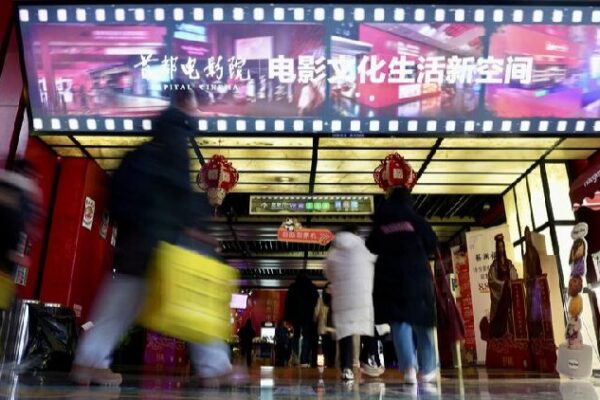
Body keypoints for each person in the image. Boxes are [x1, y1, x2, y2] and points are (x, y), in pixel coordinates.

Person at [70, 84, 231, 386]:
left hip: (136, 245)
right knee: (192, 303)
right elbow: (180, 195)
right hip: (167, 244)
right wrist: (197, 229)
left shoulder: (138, 155)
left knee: (118, 305)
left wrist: (130, 229)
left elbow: (116, 198)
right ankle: (215, 367)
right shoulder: (177, 148)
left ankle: (88, 362)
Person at [366, 186, 438, 385]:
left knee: (400, 323)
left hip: (391, 280)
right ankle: (428, 368)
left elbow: (371, 245)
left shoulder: (383, 220)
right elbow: (432, 242)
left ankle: (408, 369)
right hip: (417, 278)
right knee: (423, 323)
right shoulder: (416, 220)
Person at [325, 224, 377, 381]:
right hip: (362, 295)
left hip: (342, 298)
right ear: (355, 232)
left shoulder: (334, 251)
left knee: (345, 333)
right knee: (366, 328)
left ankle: (346, 369)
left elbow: (328, 271)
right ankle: (368, 359)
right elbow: (373, 263)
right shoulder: (363, 247)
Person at [0, 161, 41, 309]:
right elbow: (19, 226)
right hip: (5, 264)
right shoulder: (27, 193)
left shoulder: (2, 181)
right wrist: (15, 255)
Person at [284, 272, 319, 367]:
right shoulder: (312, 287)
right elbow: (316, 301)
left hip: (296, 315)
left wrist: (287, 317)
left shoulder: (293, 287)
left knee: (296, 335)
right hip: (308, 316)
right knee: (306, 336)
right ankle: (304, 359)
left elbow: (288, 302)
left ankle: (295, 357)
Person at [488, 234, 518, 339]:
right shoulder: (495, 265)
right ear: (497, 249)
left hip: (508, 291)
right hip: (501, 294)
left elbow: (514, 274)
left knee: (510, 311)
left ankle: (511, 332)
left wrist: (511, 282)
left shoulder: (509, 263)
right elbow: (492, 280)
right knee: (501, 314)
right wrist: (503, 284)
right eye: (499, 247)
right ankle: (502, 334)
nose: (501, 249)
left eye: (502, 246)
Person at [313, 283, 336, 369]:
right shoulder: (334, 300)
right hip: (329, 327)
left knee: (328, 346)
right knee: (330, 346)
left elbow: (316, 312)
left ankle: (329, 362)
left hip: (327, 327)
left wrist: (315, 319)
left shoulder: (322, 299)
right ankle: (330, 362)